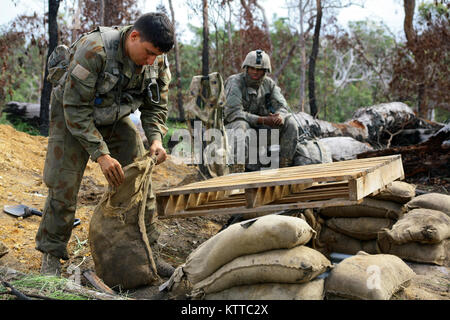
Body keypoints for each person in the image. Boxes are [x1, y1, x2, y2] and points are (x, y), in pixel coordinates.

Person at [35, 12, 175, 277]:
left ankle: (149, 252)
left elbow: (155, 107)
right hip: (72, 115)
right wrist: (101, 154)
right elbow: (75, 108)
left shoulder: (156, 61)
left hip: (113, 116)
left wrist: (156, 139)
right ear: (134, 36)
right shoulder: (95, 49)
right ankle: (51, 255)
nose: (151, 61)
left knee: (139, 178)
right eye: (147, 53)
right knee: (63, 184)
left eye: (156, 56)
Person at [224, 49, 299, 170]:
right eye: (252, 68)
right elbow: (233, 113)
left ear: (265, 71)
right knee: (241, 126)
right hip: (233, 132)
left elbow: (283, 107)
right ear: (246, 68)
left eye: (259, 70)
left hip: (260, 132)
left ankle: (285, 165)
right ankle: (237, 168)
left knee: (290, 122)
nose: (255, 72)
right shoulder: (235, 82)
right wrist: (262, 120)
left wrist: (280, 116)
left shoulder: (269, 84)